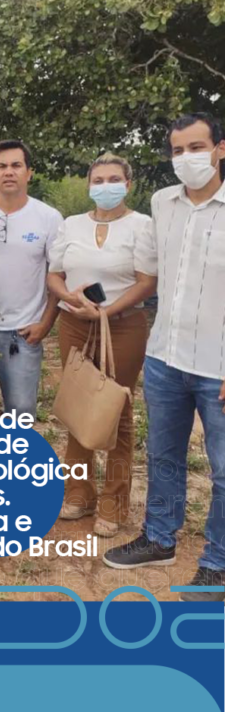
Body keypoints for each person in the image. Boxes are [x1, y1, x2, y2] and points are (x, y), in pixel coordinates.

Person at [105, 112, 225, 600]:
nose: (186, 158)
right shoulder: (162, 202)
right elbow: (152, 274)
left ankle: (217, 561)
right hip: (165, 357)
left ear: (220, 149)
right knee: (164, 456)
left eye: (196, 147)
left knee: (223, 468)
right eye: (177, 150)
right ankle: (159, 538)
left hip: (217, 365)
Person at [46, 154, 157, 537]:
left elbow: (146, 280)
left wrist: (108, 310)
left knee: (116, 410)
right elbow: (55, 276)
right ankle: (78, 493)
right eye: (98, 179)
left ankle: (114, 501)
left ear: (128, 184)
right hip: (76, 323)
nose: (104, 186)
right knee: (79, 405)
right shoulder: (71, 224)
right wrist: (71, 298)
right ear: (89, 184)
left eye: (113, 178)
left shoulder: (142, 225)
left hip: (122, 326)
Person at [0, 140, 63, 419]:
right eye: (1, 166)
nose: (8, 172)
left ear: (29, 172)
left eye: (16, 165)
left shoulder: (49, 218)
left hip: (23, 334)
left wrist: (45, 324)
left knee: (21, 411)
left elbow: (58, 276)